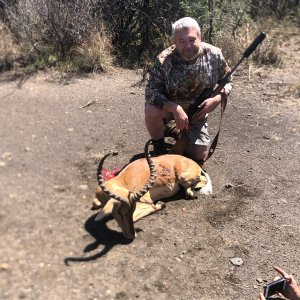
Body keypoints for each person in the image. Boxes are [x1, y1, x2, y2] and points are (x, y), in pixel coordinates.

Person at [144, 17, 233, 163]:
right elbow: (150, 92)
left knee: (198, 155)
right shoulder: (164, 59)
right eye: (182, 41)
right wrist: (174, 107)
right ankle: (159, 146)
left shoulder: (214, 55)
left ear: (200, 37)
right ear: (174, 41)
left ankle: (175, 132)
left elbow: (228, 81)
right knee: (151, 110)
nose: (188, 46)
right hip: (170, 111)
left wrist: (216, 100)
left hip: (197, 114)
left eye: (192, 39)